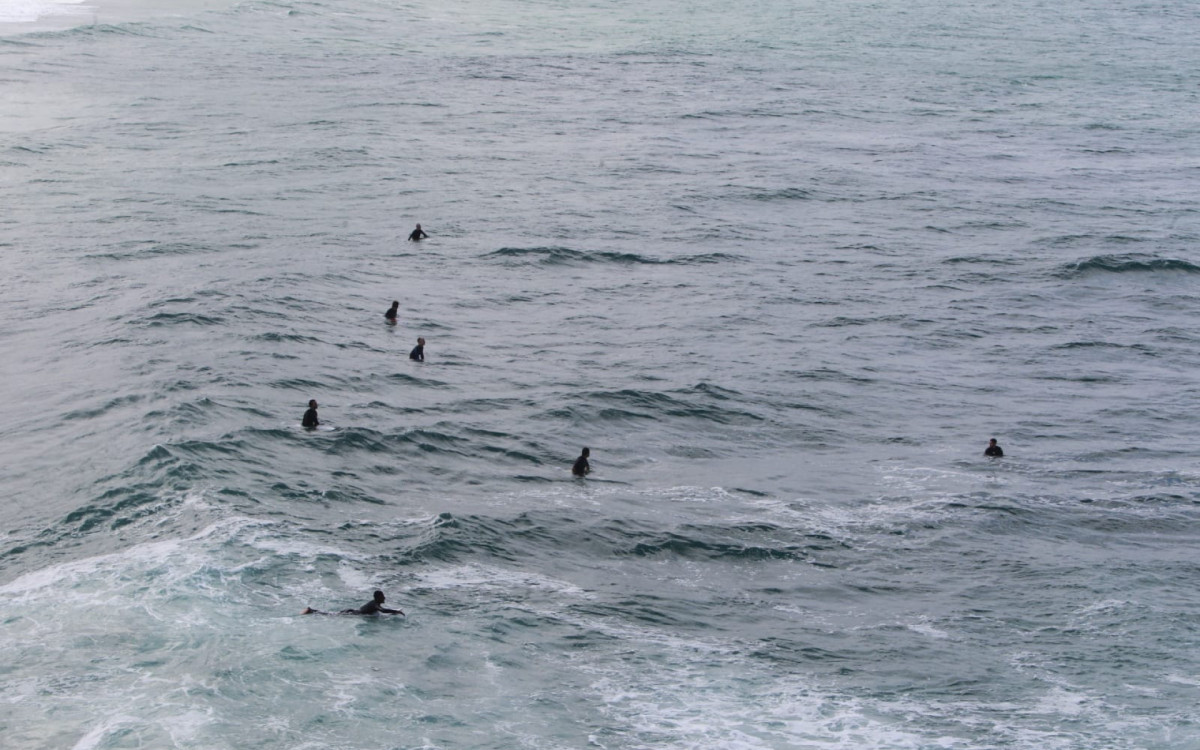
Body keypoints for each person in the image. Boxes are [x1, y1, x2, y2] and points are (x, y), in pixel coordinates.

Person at [303, 590, 405, 616]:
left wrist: (394, 612)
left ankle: (312, 611)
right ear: (378, 597)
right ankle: (311, 611)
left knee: (331, 614)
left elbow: (383, 611)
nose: (384, 597)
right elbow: (383, 611)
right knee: (330, 615)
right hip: (352, 613)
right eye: (383, 596)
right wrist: (396, 611)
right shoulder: (375, 604)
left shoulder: (375, 603)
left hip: (352, 611)